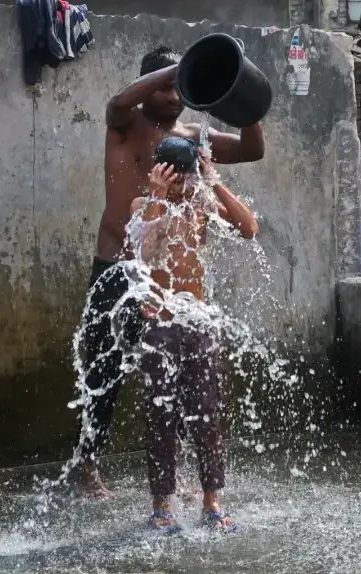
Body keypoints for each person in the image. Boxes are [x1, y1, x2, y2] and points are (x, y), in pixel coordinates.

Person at [74, 45, 265, 498]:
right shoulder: (127, 124)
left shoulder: (194, 136)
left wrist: (243, 101)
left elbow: (253, 149)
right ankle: (86, 466)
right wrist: (181, 68)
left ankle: (174, 476)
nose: (175, 94)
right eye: (165, 86)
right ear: (148, 87)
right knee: (104, 370)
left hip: (170, 284)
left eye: (180, 88)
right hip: (119, 268)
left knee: (175, 375)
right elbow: (117, 102)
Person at [132, 136, 258, 532]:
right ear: (161, 174)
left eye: (186, 177)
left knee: (207, 412)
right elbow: (147, 253)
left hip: (196, 319)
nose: (183, 185)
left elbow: (249, 228)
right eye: (175, 177)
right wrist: (156, 194)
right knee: (159, 413)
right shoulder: (144, 206)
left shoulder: (200, 204)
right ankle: (161, 506)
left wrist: (213, 179)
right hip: (160, 322)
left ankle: (212, 502)